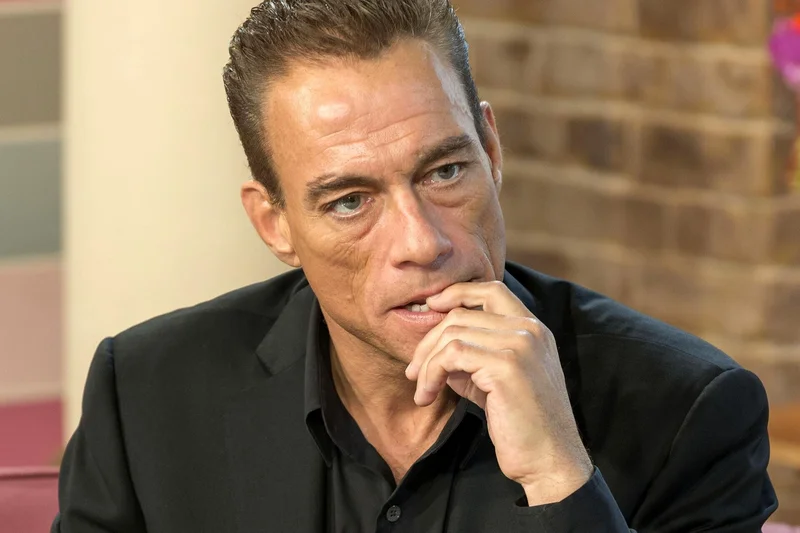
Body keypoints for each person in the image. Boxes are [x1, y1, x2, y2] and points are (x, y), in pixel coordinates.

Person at [52, 1, 778, 531]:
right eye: (349, 201)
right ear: (275, 224)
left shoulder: (688, 413)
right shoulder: (146, 393)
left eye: (444, 171)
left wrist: (559, 475)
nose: (421, 242)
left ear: (491, 150)